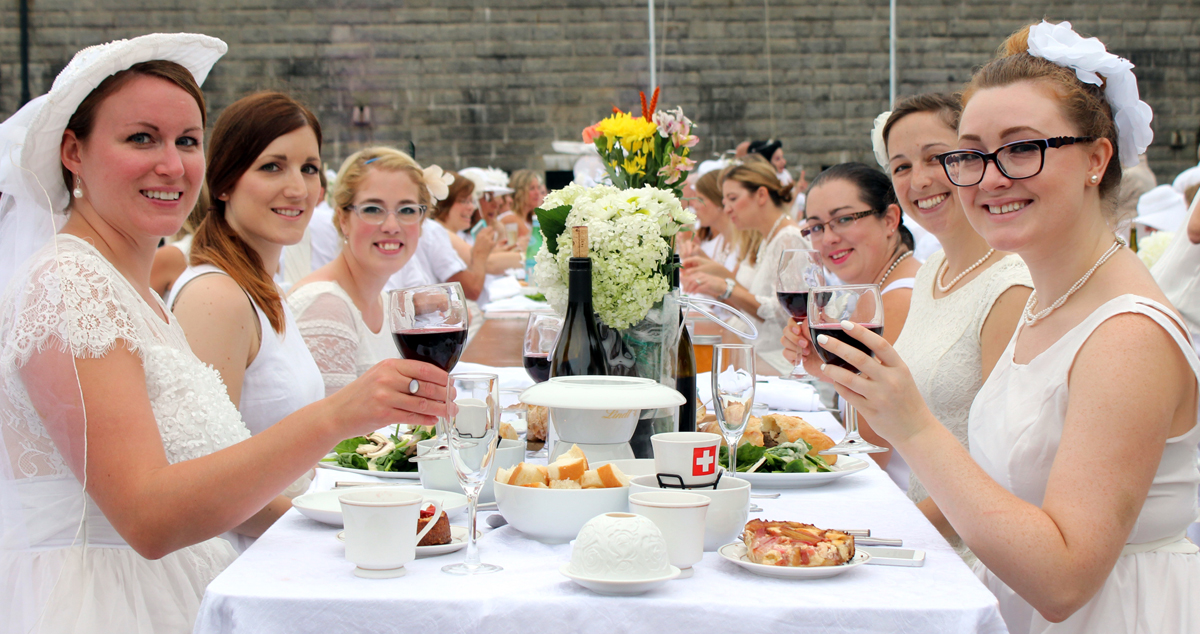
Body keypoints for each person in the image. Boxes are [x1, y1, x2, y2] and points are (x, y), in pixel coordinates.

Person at [0, 35, 449, 634]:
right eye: (141, 138)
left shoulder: (129, 291)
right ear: (73, 153)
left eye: (187, 141)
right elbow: (145, 516)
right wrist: (338, 416)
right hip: (102, 602)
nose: (171, 163)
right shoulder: (69, 283)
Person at [796, 22, 1199, 633]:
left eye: (1020, 148)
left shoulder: (1126, 335)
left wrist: (913, 424)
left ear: (1096, 158)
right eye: (971, 154)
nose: (988, 177)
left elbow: (1064, 581)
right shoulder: (1049, 300)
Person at [786, 94, 1032, 561]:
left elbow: (1004, 464)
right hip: (926, 532)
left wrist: (902, 532)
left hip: (969, 547)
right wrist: (823, 366)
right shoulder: (934, 273)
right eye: (900, 167)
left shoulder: (1012, 286)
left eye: (937, 158)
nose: (919, 180)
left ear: (974, 159)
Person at [165, 92, 327, 549]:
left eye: (309, 168)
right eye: (272, 166)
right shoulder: (216, 297)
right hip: (244, 560)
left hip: (280, 546)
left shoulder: (262, 287)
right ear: (224, 182)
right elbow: (204, 486)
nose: (297, 188)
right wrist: (330, 532)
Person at [289, 148, 428, 396]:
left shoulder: (388, 304)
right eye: (373, 209)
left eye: (407, 210)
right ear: (343, 219)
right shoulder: (326, 307)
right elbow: (332, 431)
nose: (392, 226)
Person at [681, 157, 807, 372]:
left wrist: (725, 288)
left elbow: (785, 314)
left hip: (777, 365)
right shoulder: (769, 238)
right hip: (755, 358)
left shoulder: (789, 238)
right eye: (725, 201)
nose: (727, 208)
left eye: (732, 198)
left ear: (760, 195)